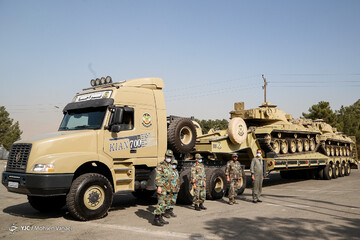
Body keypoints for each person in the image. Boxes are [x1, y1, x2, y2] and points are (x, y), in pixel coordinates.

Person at [153, 149, 174, 226]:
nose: (169, 158)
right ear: (165, 156)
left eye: (170, 157)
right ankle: (156, 218)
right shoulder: (160, 165)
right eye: (168, 156)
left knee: (165, 203)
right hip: (162, 187)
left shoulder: (169, 165)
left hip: (168, 187)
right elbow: (158, 177)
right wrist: (159, 187)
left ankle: (161, 217)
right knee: (161, 203)